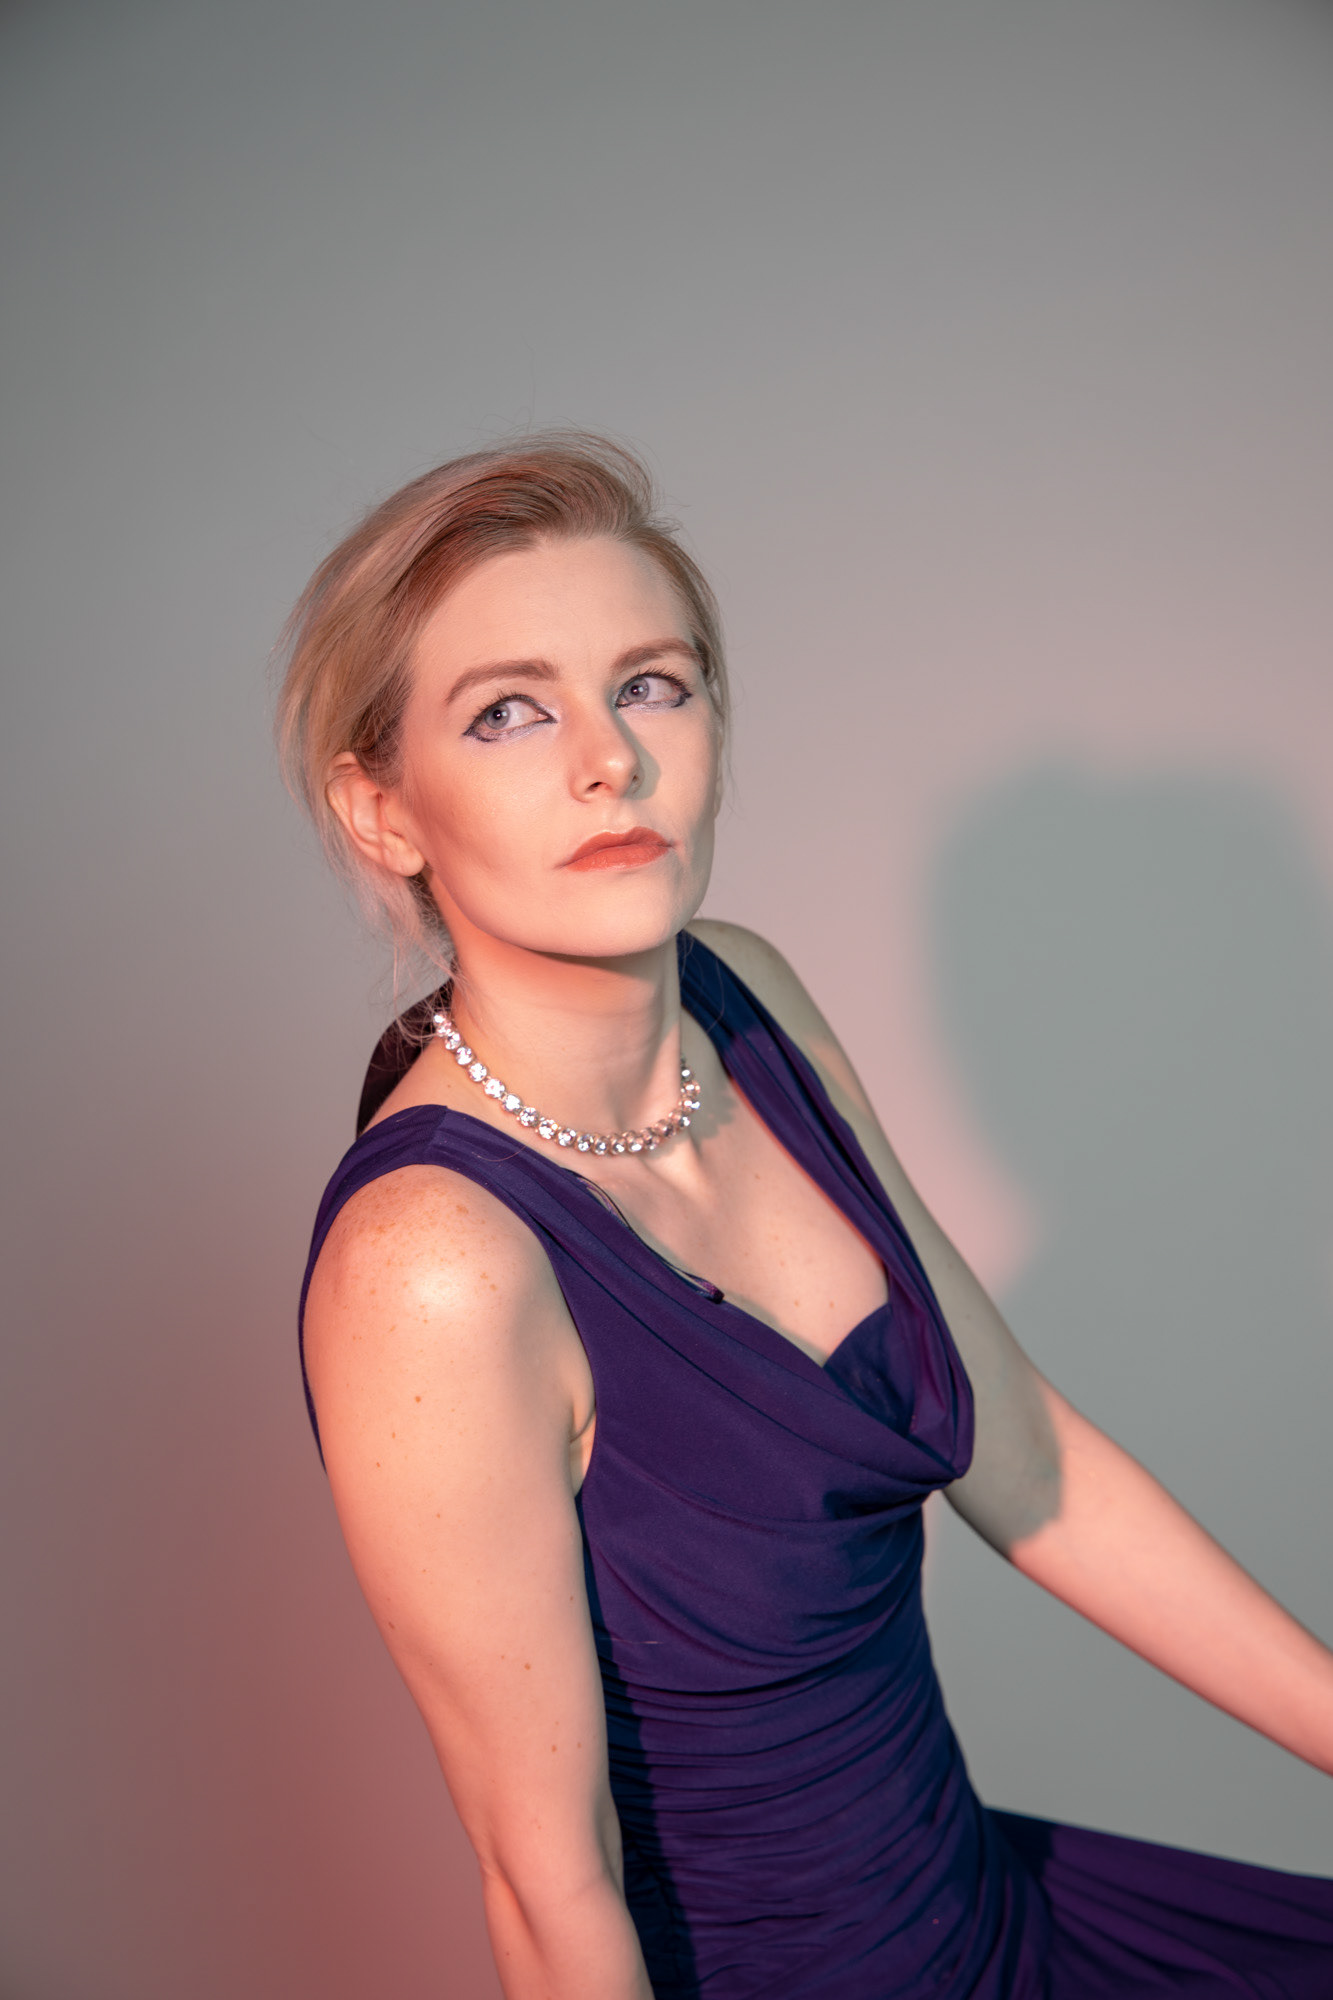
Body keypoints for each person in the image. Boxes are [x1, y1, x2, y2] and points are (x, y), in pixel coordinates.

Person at [278, 434, 1333, 1999]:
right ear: (383, 812)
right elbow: (549, 1882)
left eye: (650, 684)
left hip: (989, 1919)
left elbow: (1021, 1458)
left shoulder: (745, 997)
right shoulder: (432, 1266)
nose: (609, 761)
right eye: (508, 710)